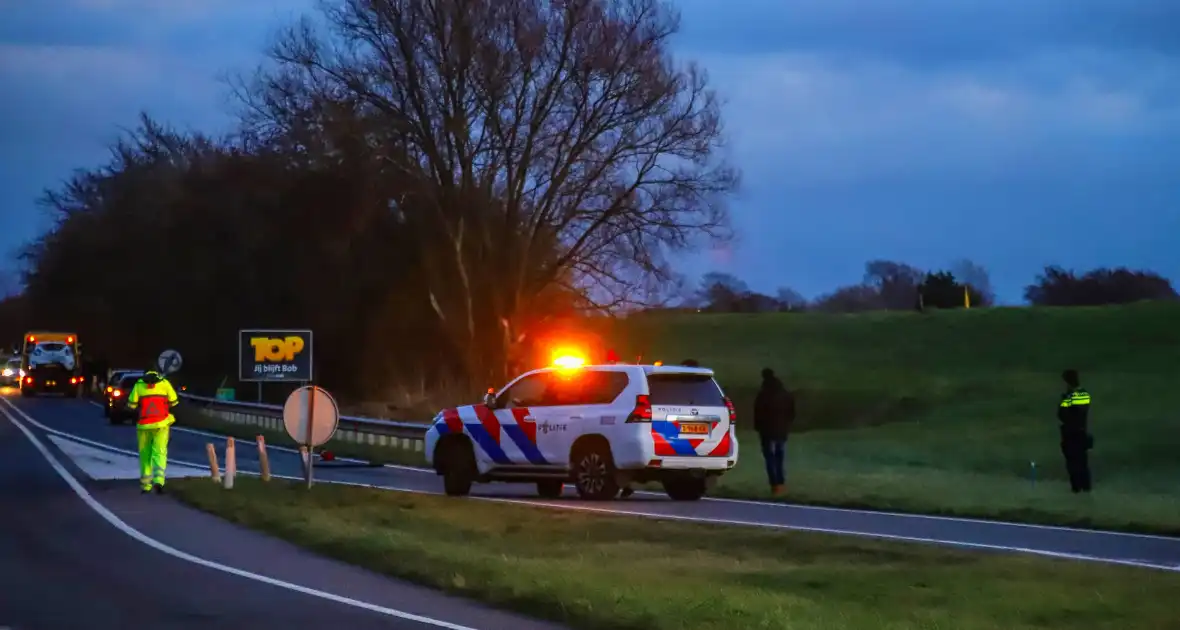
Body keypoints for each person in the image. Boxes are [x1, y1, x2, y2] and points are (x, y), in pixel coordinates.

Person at [126, 369, 180, 494]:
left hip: (144, 425)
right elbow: (174, 402)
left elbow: (131, 405)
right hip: (161, 424)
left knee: (145, 455)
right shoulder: (165, 383)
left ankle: (146, 485)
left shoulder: (139, 384)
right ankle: (159, 481)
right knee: (159, 453)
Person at [753, 367, 795, 496]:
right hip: (781, 430)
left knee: (770, 457)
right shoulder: (784, 393)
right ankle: (781, 483)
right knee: (779, 456)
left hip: (767, 431)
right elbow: (791, 412)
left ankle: (775, 484)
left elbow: (758, 413)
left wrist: (758, 427)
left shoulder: (763, 394)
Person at [1057, 369, 1093, 493]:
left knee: (1076, 468)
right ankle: (1084, 495)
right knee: (1081, 466)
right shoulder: (1082, 394)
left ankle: (1080, 493)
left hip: (1073, 434)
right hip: (1078, 433)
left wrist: (1066, 399)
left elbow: (1064, 414)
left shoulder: (1073, 395)